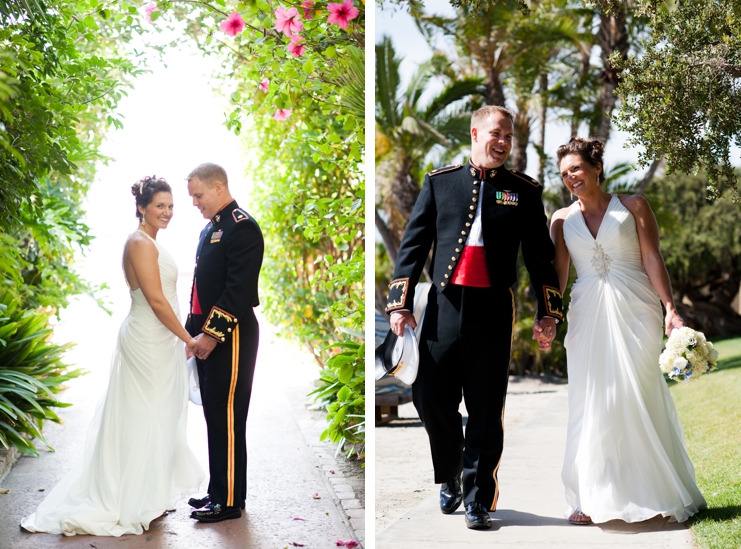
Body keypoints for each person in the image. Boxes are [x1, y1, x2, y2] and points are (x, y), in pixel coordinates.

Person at [386, 105, 564, 530]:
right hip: (444, 305)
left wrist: (550, 313)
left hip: (492, 309)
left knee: (486, 407)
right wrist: (399, 303)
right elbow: (412, 247)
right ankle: (448, 473)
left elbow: (541, 258)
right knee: (429, 396)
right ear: (475, 133)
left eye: (509, 137)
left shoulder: (524, 190)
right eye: (496, 134)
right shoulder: (440, 182)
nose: (502, 143)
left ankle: (477, 498)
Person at [20, 177, 204, 536]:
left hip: (161, 340)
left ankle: (149, 491)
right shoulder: (138, 243)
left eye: (170, 206)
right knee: (144, 414)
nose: (167, 212)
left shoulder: (148, 240)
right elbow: (155, 301)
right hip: (147, 340)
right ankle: (128, 497)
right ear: (142, 208)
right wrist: (189, 339)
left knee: (159, 413)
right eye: (159, 206)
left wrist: (177, 340)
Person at [541, 136, 706, 525]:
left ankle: (657, 491)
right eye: (564, 174)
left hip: (637, 309)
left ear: (596, 167)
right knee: (593, 400)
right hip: (586, 316)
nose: (571, 178)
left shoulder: (633, 206)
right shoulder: (561, 219)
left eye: (577, 169)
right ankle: (590, 495)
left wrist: (670, 309)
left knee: (638, 395)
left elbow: (652, 258)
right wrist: (549, 317)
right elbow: (559, 275)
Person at [184, 163, 264, 523]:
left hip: (231, 337)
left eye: (198, 195)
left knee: (228, 417)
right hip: (210, 334)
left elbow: (237, 291)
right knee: (216, 415)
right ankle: (221, 491)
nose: (195, 203)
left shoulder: (242, 227)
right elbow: (201, 286)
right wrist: (191, 331)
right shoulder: (213, 228)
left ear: (218, 187)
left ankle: (228, 501)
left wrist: (211, 335)